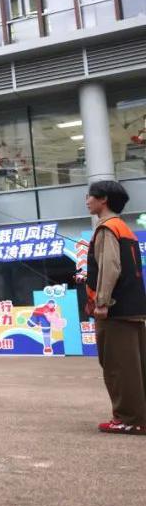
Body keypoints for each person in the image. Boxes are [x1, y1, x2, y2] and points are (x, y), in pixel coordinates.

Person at [83, 180, 146, 435]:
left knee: (118, 367)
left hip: (116, 311)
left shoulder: (106, 228)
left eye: (90, 196)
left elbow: (110, 267)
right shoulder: (124, 228)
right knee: (136, 366)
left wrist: (102, 302)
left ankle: (129, 418)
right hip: (133, 307)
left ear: (103, 199)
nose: (87, 200)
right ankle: (138, 416)